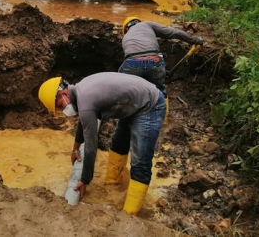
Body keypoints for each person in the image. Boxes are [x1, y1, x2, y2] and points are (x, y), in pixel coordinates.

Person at [38, 72, 166, 215]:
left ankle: (130, 215)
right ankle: (112, 183)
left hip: (149, 106)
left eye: (60, 105)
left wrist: (85, 180)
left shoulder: (85, 100)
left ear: (63, 93)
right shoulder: (81, 90)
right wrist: (75, 149)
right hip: (133, 105)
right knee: (118, 144)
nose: (63, 110)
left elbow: (91, 147)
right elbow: (84, 122)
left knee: (140, 162)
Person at [119, 16, 204, 121]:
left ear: (126, 29)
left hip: (132, 62)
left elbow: (138, 62)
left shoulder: (126, 37)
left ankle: (128, 120)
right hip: (155, 60)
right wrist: (195, 39)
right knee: (160, 91)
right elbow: (173, 32)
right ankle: (164, 121)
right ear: (138, 21)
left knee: (126, 90)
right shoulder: (147, 24)